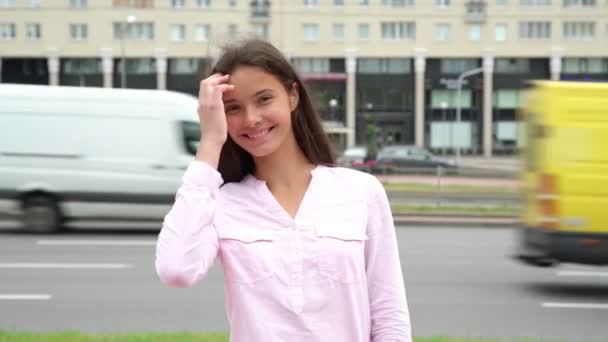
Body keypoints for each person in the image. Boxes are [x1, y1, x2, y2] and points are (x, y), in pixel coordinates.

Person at [155, 39, 412, 342]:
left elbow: (389, 316)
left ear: (292, 95)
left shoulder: (361, 191)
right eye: (233, 108)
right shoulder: (222, 202)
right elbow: (176, 270)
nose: (251, 119)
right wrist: (210, 141)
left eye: (264, 99)